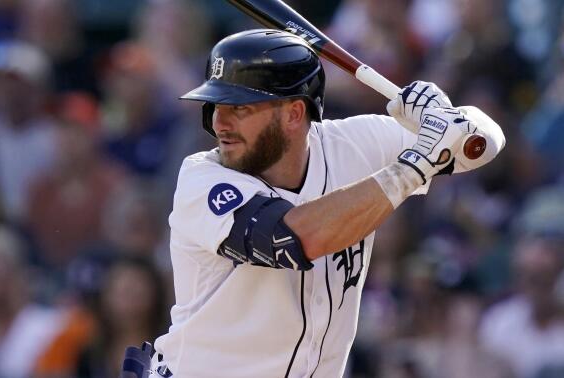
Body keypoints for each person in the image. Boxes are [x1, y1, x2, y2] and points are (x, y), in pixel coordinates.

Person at [142, 29, 505, 377]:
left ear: (293, 114)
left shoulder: (355, 143)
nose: (219, 122)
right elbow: (293, 238)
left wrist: (446, 119)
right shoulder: (201, 180)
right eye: (215, 104)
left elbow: (482, 145)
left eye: (238, 107)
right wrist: (413, 167)